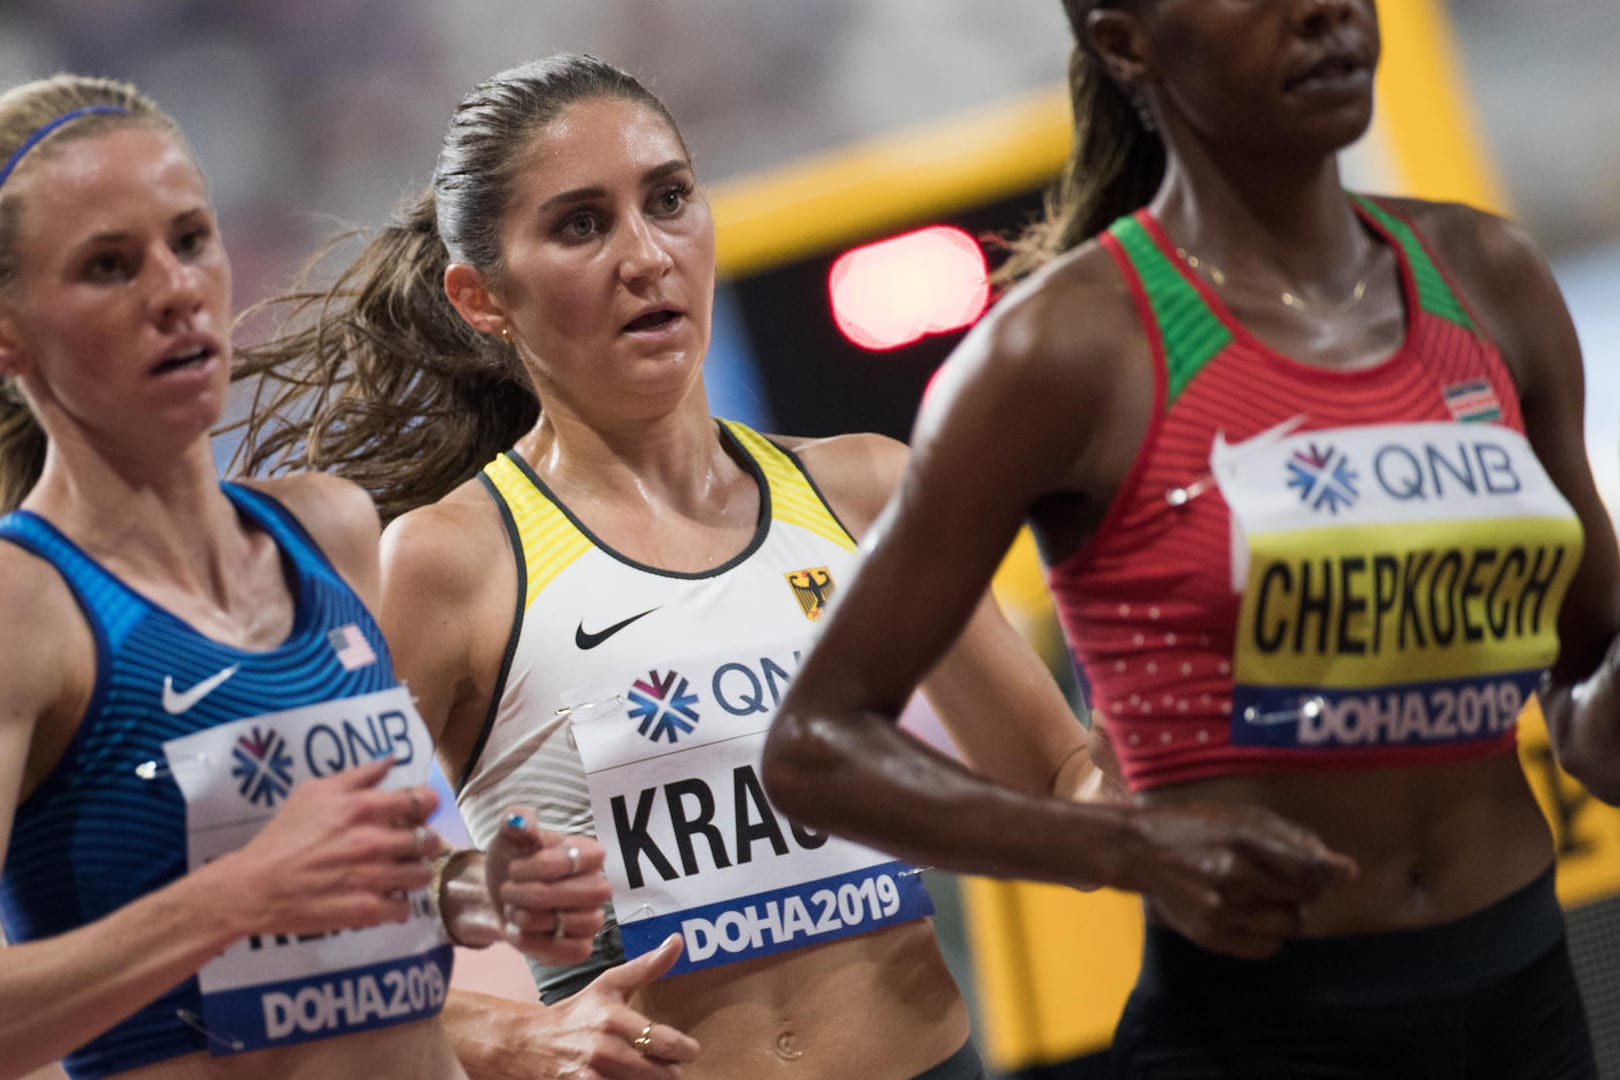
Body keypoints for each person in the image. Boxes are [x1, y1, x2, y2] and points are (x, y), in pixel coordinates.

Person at [229, 52, 1361, 1080]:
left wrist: (1213, 763)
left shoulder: (864, 490)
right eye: (582, 226)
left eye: (669, 199)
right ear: (482, 298)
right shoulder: (449, 559)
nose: (647, 254)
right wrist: (507, 1033)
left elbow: (1060, 780)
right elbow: (276, 918)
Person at [765, 1, 1616, 1077]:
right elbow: (816, 746)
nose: (1324, 13)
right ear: (1124, 38)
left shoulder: (1491, 280)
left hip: (1524, 1001)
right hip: (1259, 1030)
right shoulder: (1059, 354)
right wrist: (1124, 846)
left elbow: (1592, 720)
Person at [0, 74, 608, 1080]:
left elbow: (359, 890)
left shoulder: (327, 531)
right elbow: (259, 892)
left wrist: (480, 893)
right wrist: (237, 895)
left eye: (191, 240)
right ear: (11, 332)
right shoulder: (28, 605)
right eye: (108, 266)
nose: (174, 290)